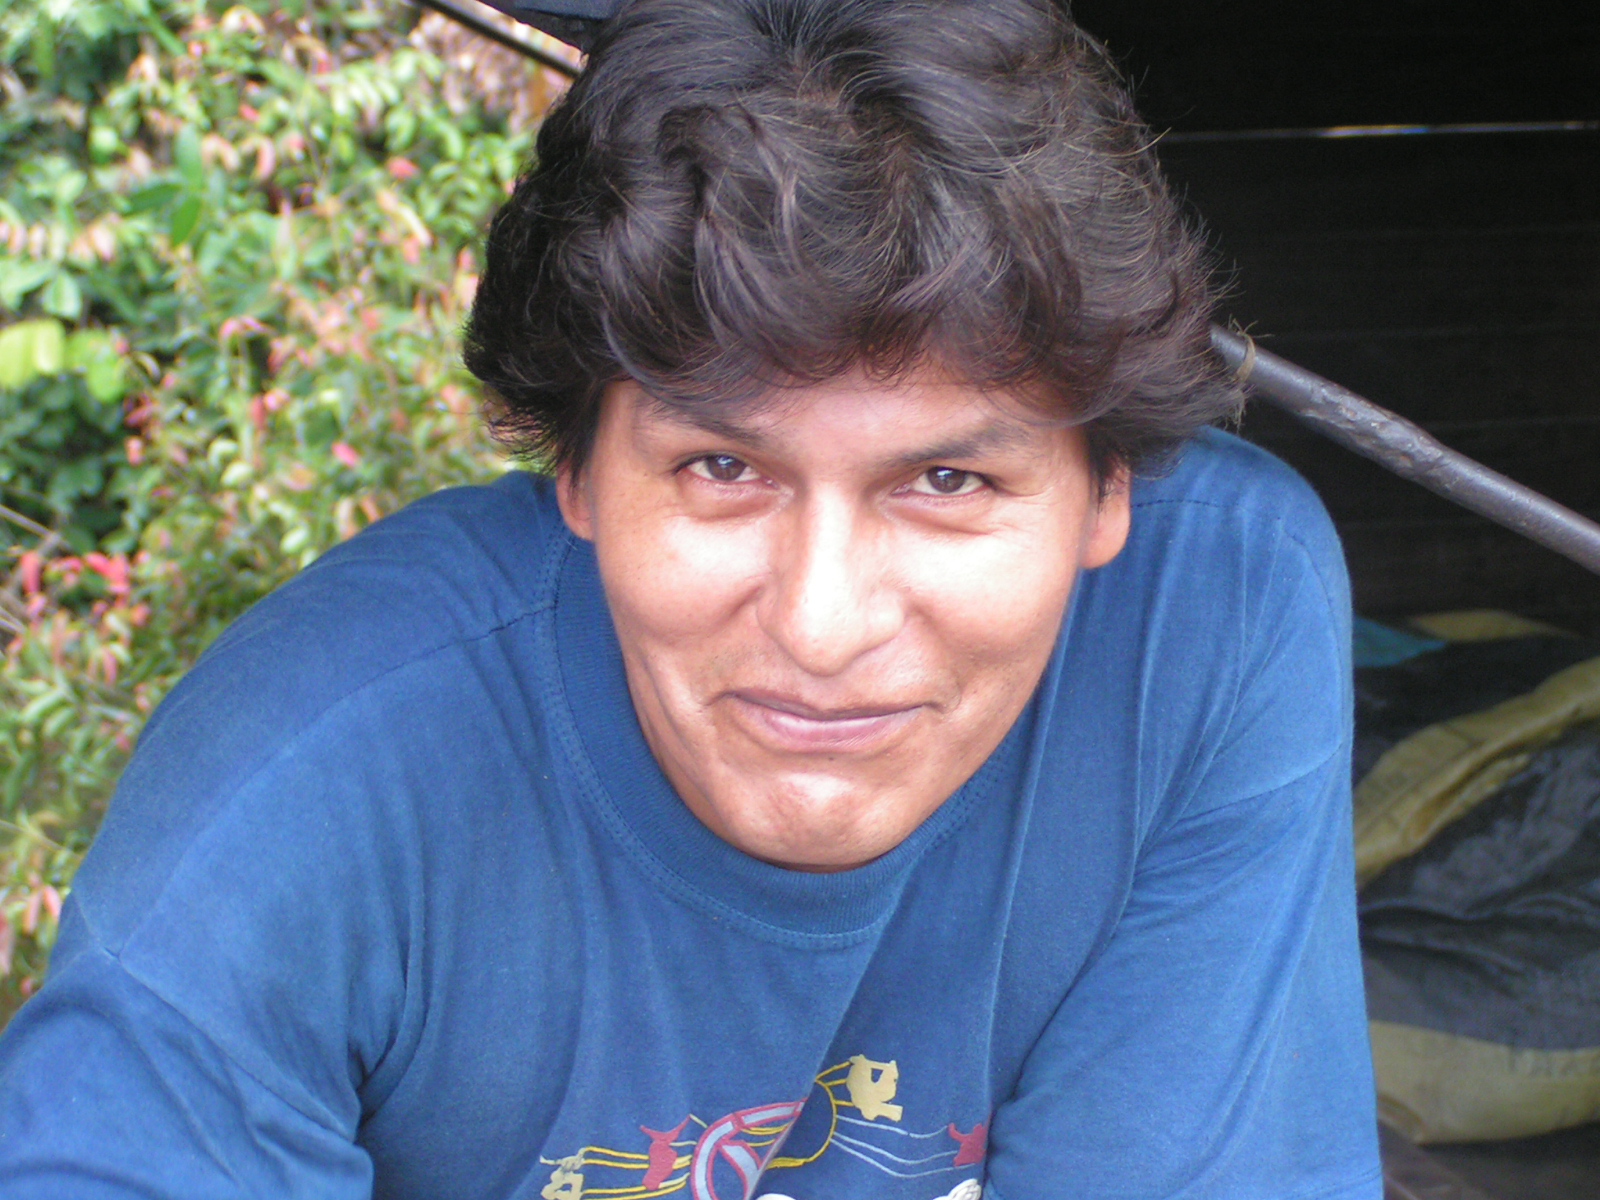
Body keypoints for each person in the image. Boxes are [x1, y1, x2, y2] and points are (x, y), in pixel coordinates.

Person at [0, 1, 1383, 1196]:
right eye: (723, 469)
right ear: (576, 472)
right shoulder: (315, 775)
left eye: (947, 480)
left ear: (1108, 491)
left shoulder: (1207, 610)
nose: (823, 627)